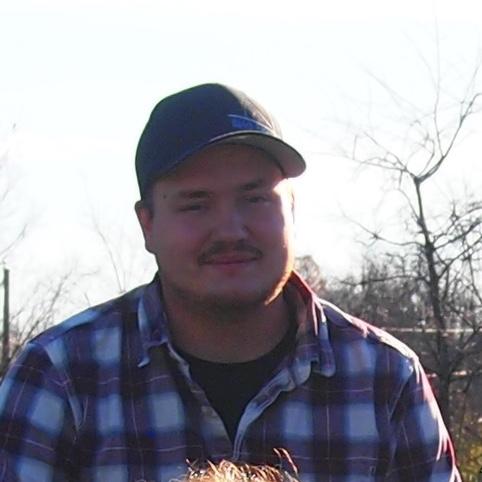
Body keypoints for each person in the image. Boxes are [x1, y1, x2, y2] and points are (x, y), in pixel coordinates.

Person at [0, 83, 461, 481]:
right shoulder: (61, 376)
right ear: (147, 225)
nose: (230, 230)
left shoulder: (385, 379)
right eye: (196, 204)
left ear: (292, 210)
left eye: (254, 198)